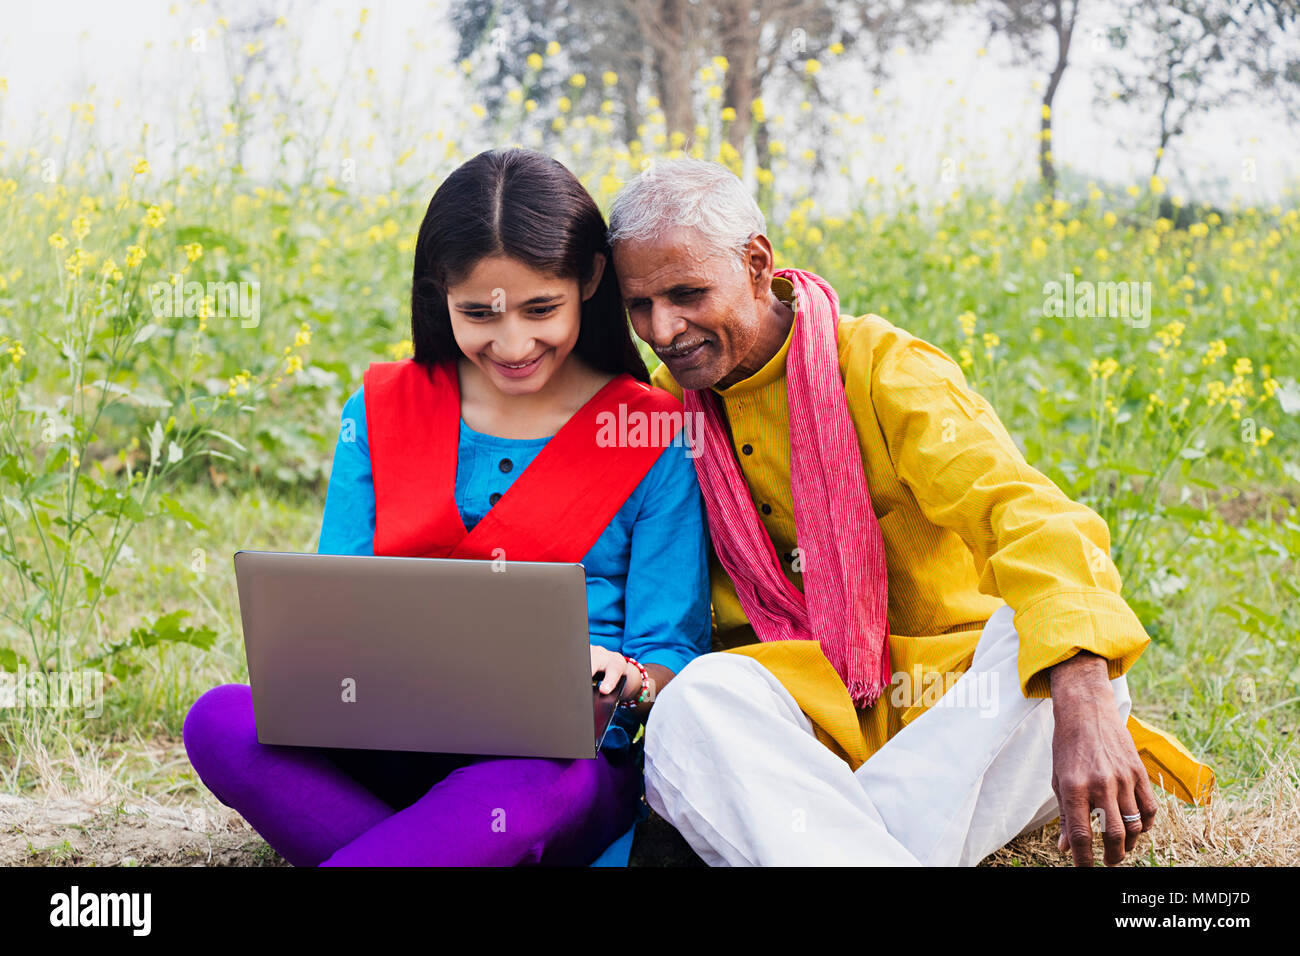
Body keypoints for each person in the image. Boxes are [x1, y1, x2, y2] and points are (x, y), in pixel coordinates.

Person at [608, 157, 1215, 867]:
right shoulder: (658, 414)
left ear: (757, 262)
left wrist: (1082, 700)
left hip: (961, 712)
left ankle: (809, 830)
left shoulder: (883, 367)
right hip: (811, 724)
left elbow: (1025, 515)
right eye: (639, 305)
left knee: (1055, 649)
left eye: (686, 293)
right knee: (697, 703)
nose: (663, 328)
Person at [183, 148, 711, 867]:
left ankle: (442, 840)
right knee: (220, 720)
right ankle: (443, 845)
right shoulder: (379, 410)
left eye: (540, 309)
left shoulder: (652, 432)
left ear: (588, 279)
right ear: (440, 296)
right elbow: (331, 607)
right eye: (479, 315)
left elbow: (671, 654)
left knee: (529, 788)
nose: (515, 343)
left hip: (550, 766)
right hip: (387, 741)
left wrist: (627, 677)